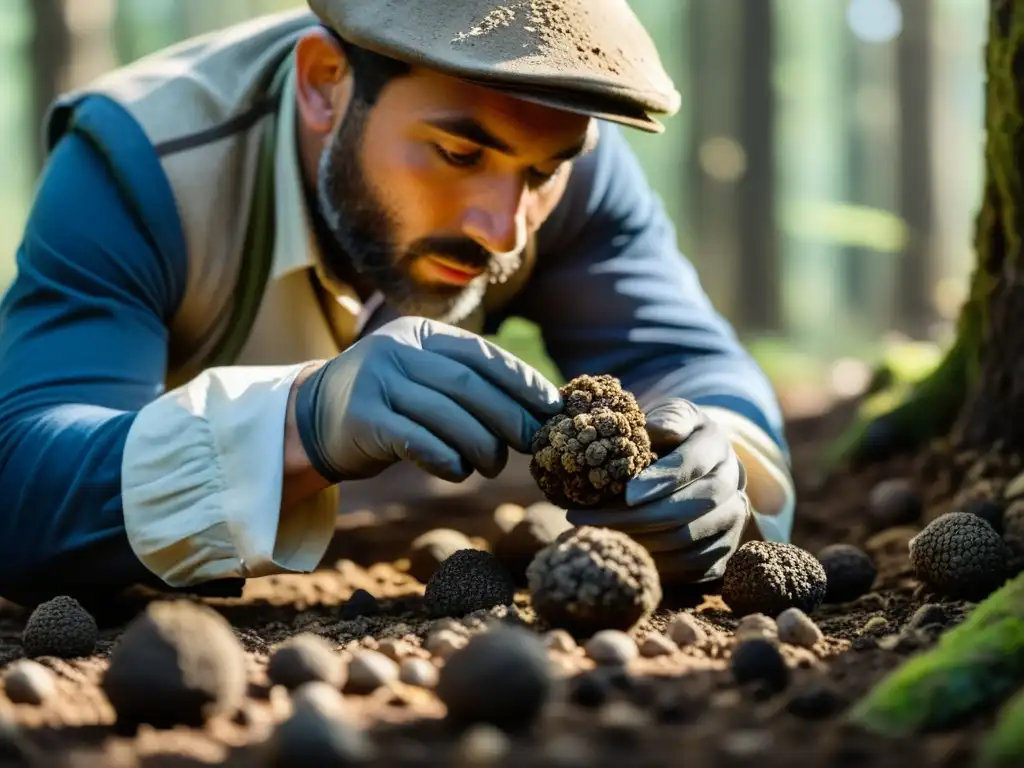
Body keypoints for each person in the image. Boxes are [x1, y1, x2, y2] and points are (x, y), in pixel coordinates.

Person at [0, 0, 795, 608]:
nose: (503, 229)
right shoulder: (140, 162)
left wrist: (712, 459)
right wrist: (302, 421)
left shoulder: (567, 148)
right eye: (458, 153)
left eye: (541, 174)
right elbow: (23, 479)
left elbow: (679, 357)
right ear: (323, 84)